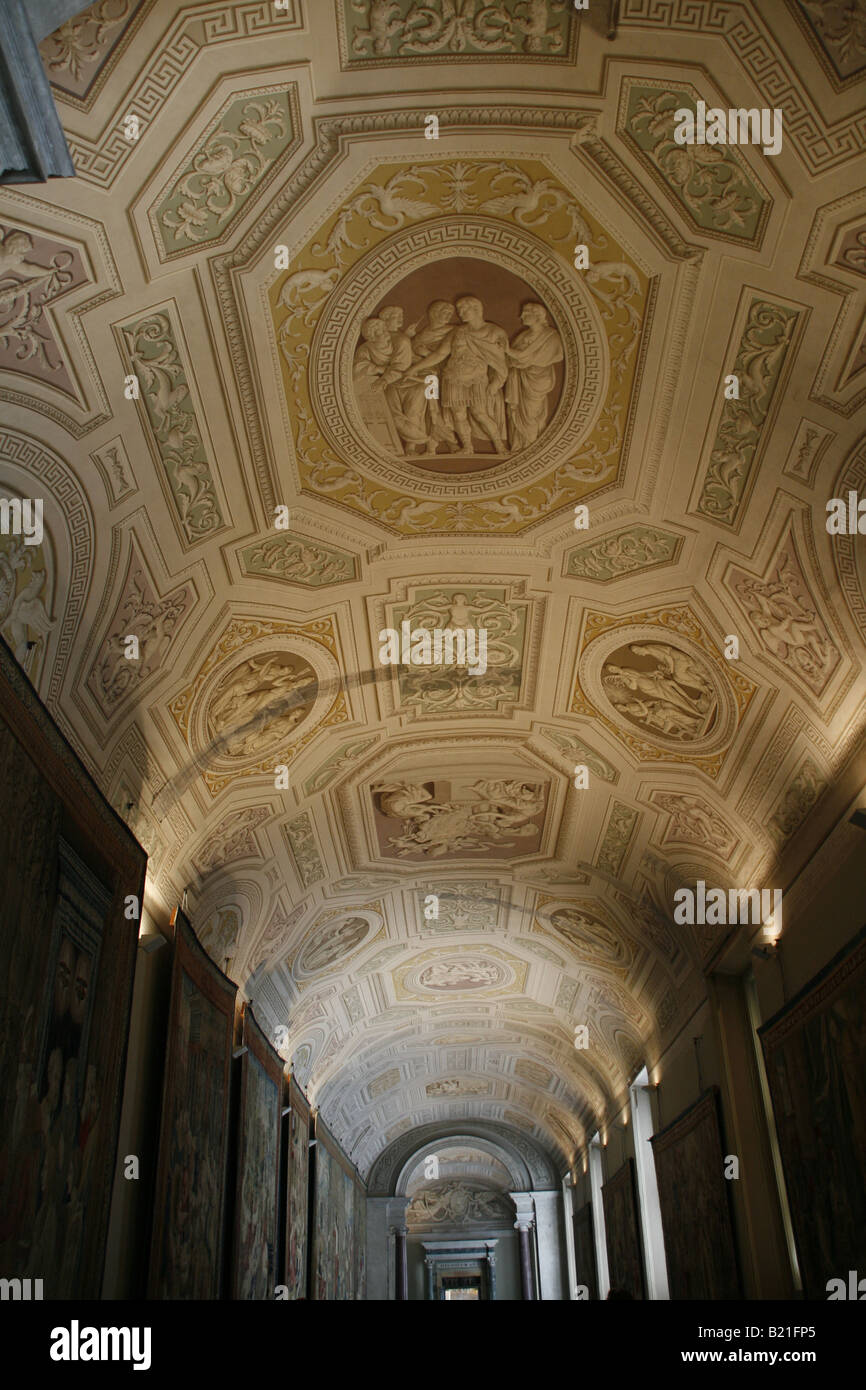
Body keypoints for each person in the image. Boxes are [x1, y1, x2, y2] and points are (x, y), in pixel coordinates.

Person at [406, 296, 509, 455]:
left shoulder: (494, 332)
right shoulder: (458, 331)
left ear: (476, 309)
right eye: (459, 310)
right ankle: (467, 447)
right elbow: (440, 354)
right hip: (453, 378)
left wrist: (497, 382)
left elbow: (501, 360)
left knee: (480, 414)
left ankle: (499, 446)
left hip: (477, 379)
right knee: (458, 415)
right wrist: (414, 368)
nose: (460, 313)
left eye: (464, 309)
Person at [505, 302, 563, 448]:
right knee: (516, 412)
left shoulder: (551, 336)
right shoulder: (523, 335)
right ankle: (518, 445)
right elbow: (513, 359)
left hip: (537, 381)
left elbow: (530, 359)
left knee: (531, 414)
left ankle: (531, 446)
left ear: (537, 316)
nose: (521, 316)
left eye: (525, 313)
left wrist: (507, 350)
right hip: (519, 379)